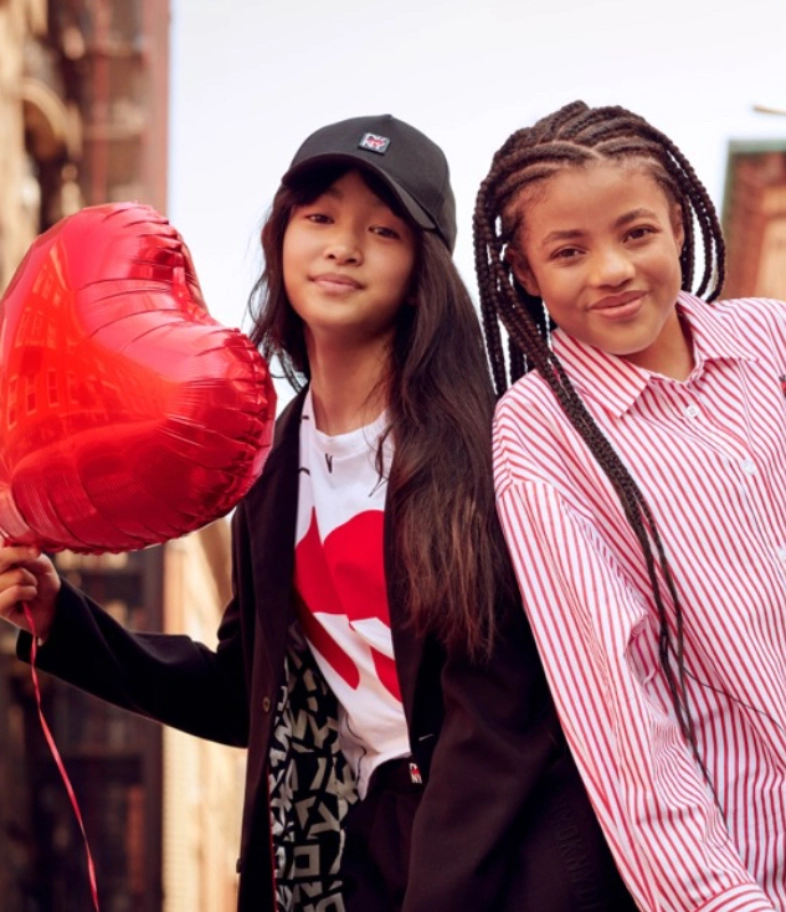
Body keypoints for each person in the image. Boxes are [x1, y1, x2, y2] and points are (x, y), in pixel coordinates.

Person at [0, 114, 633, 912]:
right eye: (320, 217)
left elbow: (502, 716)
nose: (344, 246)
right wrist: (64, 620)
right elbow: (246, 696)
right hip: (365, 855)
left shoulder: (490, 444)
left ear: (421, 268)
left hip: (517, 858)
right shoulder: (268, 469)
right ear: (283, 236)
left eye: (383, 229)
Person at [472, 99, 786, 912]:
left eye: (636, 232)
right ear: (524, 272)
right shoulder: (540, 434)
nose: (611, 269)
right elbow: (616, 706)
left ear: (679, 227)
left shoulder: (776, 344)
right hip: (777, 886)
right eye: (568, 250)